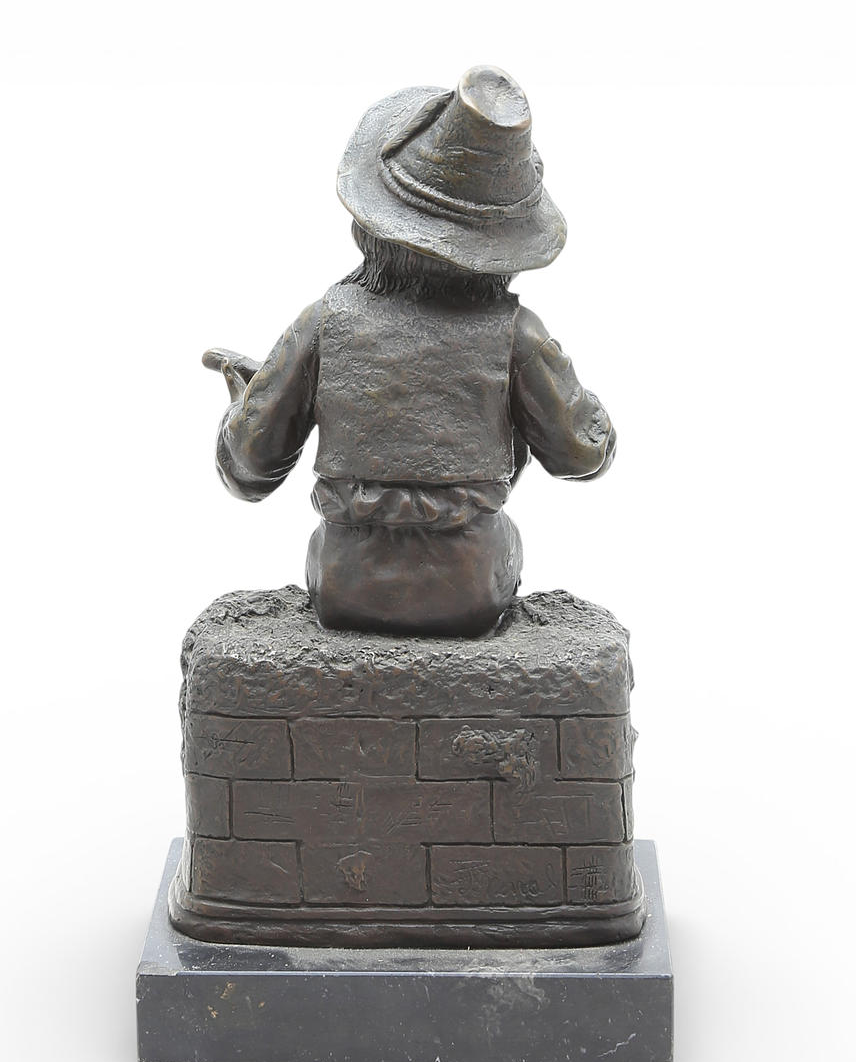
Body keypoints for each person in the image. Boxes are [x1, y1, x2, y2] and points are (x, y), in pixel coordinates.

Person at [205, 65, 616, 637]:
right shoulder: (518, 335)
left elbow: (249, 468)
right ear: (502, 249)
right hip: (472, 589)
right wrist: (570, 402)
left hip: (344, 585)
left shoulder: (323, 322)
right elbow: (582, 454)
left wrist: (249, 402)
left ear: (371, 226)